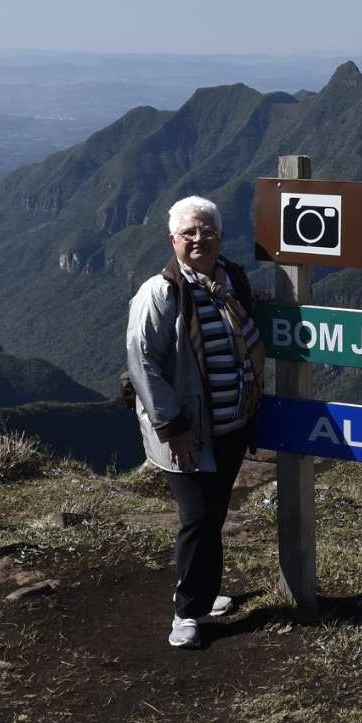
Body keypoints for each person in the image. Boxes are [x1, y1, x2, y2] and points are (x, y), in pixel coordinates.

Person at [126, 196, 265, 649]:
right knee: (197, 518)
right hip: (185, 434)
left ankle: (204, 595)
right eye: (188, 232)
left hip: (228, 428)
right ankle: (186, 614)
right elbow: (142, 363)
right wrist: (173, 427)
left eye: (206, 230)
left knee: (214, 515)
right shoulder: (161, 292)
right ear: (173, 240)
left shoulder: (231, 283)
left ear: (220, 235)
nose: (198, 238)